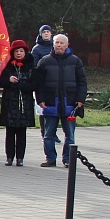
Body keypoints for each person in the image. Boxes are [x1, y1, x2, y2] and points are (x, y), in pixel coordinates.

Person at [35, 33, 87, 167]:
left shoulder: (75, 61)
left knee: (69, 135)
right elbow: (39, 83)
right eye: (56, 43)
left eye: (61, 43)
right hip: (50, 103)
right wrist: (40, 99)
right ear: (53, 44)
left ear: (67, 45)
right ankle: (50, 158)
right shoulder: (44, 61)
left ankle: (68, 159)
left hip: (69, 103)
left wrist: (80, 99)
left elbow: (82, 82)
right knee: (48, 134)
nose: (59, 45)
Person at [0, 40, 35, 166]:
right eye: (16, 51)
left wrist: (21, 84)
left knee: (21, 132)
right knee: (10, 131)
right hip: (10, 102)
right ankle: (9, 157)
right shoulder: (7, 65)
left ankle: (20, 158)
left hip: (24, 103)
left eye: (21, 51)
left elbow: (34, 84)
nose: (19, 53)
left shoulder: (30, 65)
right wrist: (9, 80)